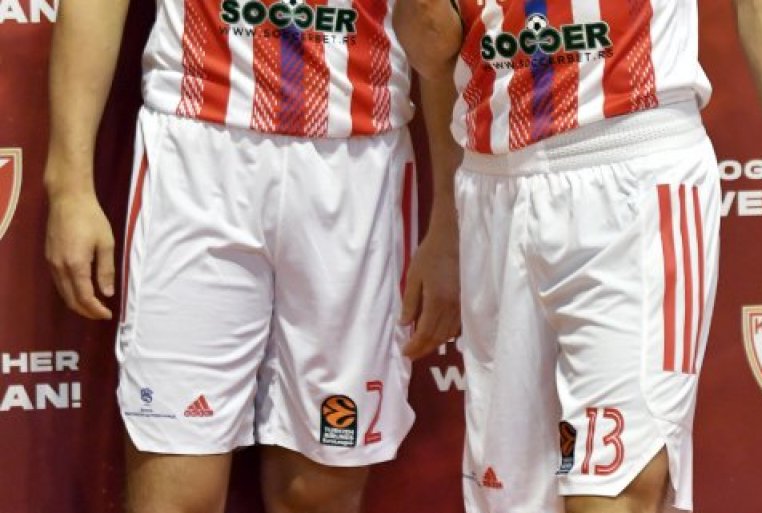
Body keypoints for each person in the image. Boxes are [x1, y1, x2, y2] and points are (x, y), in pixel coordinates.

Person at [394, 0, 762, 512]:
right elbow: (431, 51)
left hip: (631, 166)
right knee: (512, 500)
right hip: (494, 182)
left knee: (617, 491)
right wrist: (445, 224)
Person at [43, 1, 460, 512]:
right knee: (177, 493)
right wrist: (68, 185)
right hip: (198, 154)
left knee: (317, 495)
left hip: (356, 163)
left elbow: (440, 37)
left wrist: (449, 220)